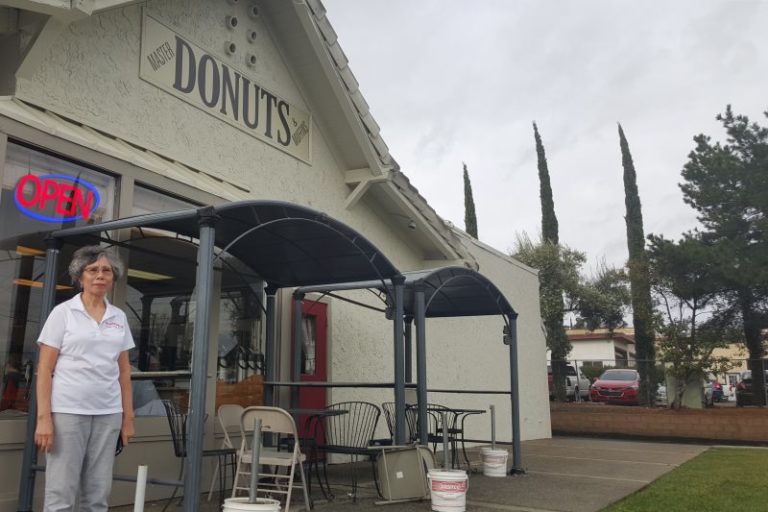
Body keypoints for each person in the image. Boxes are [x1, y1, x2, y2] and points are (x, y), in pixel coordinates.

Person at [35, 246, 135, 511]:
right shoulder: (63, 313)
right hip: (68, 412)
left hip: (108, 413)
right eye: (92, 270)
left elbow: (124, 372)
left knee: (98, 495)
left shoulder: (119, 317)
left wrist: (128, 417)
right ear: (80, 276)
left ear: (113, 277)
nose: (100, 275)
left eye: (106, 270)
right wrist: (44, 418)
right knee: (61, 494)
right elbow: (44, 369)